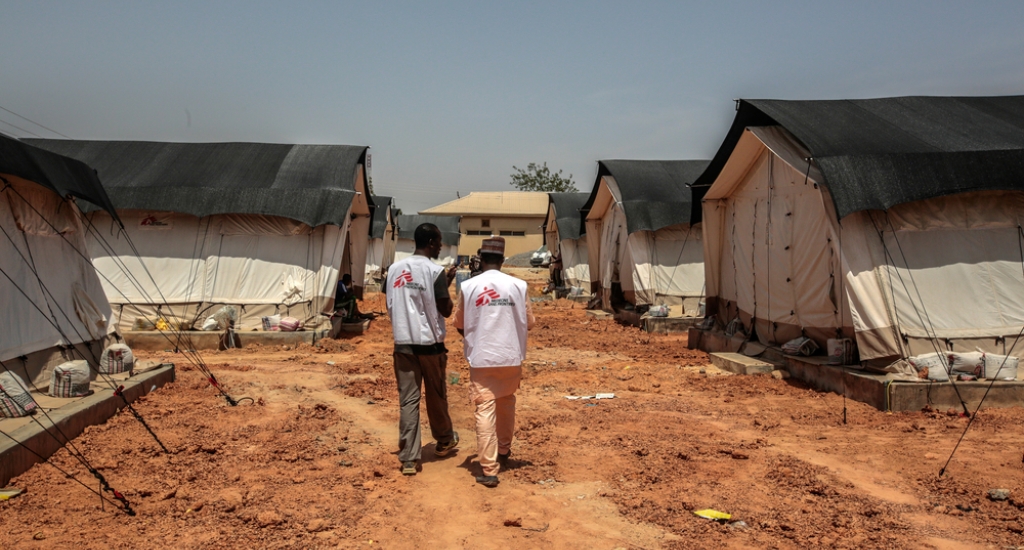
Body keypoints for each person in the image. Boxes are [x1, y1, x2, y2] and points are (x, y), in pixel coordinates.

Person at [454, 237, 534, 488]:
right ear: (502, 260)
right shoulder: (518, 286)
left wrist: (477, 335)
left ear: (481, 258)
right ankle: (504, 451)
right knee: (507, 402)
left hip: (482, 357)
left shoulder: (469, 287)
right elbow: (529, 322)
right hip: (510, 355)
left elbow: (459, 323)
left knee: (485, 409)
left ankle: (489, 469)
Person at [385, 223, 460, 476]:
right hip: (430, 345)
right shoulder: (433, 270)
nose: (440, 247)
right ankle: (444, 439)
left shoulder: (394, 270)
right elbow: (446, 310)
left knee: (409, 400)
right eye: (439, 242)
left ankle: (408, 458)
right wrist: (446, 285)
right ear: (430, 242)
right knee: (436, 395)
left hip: (403, 343)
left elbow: (394, 302)